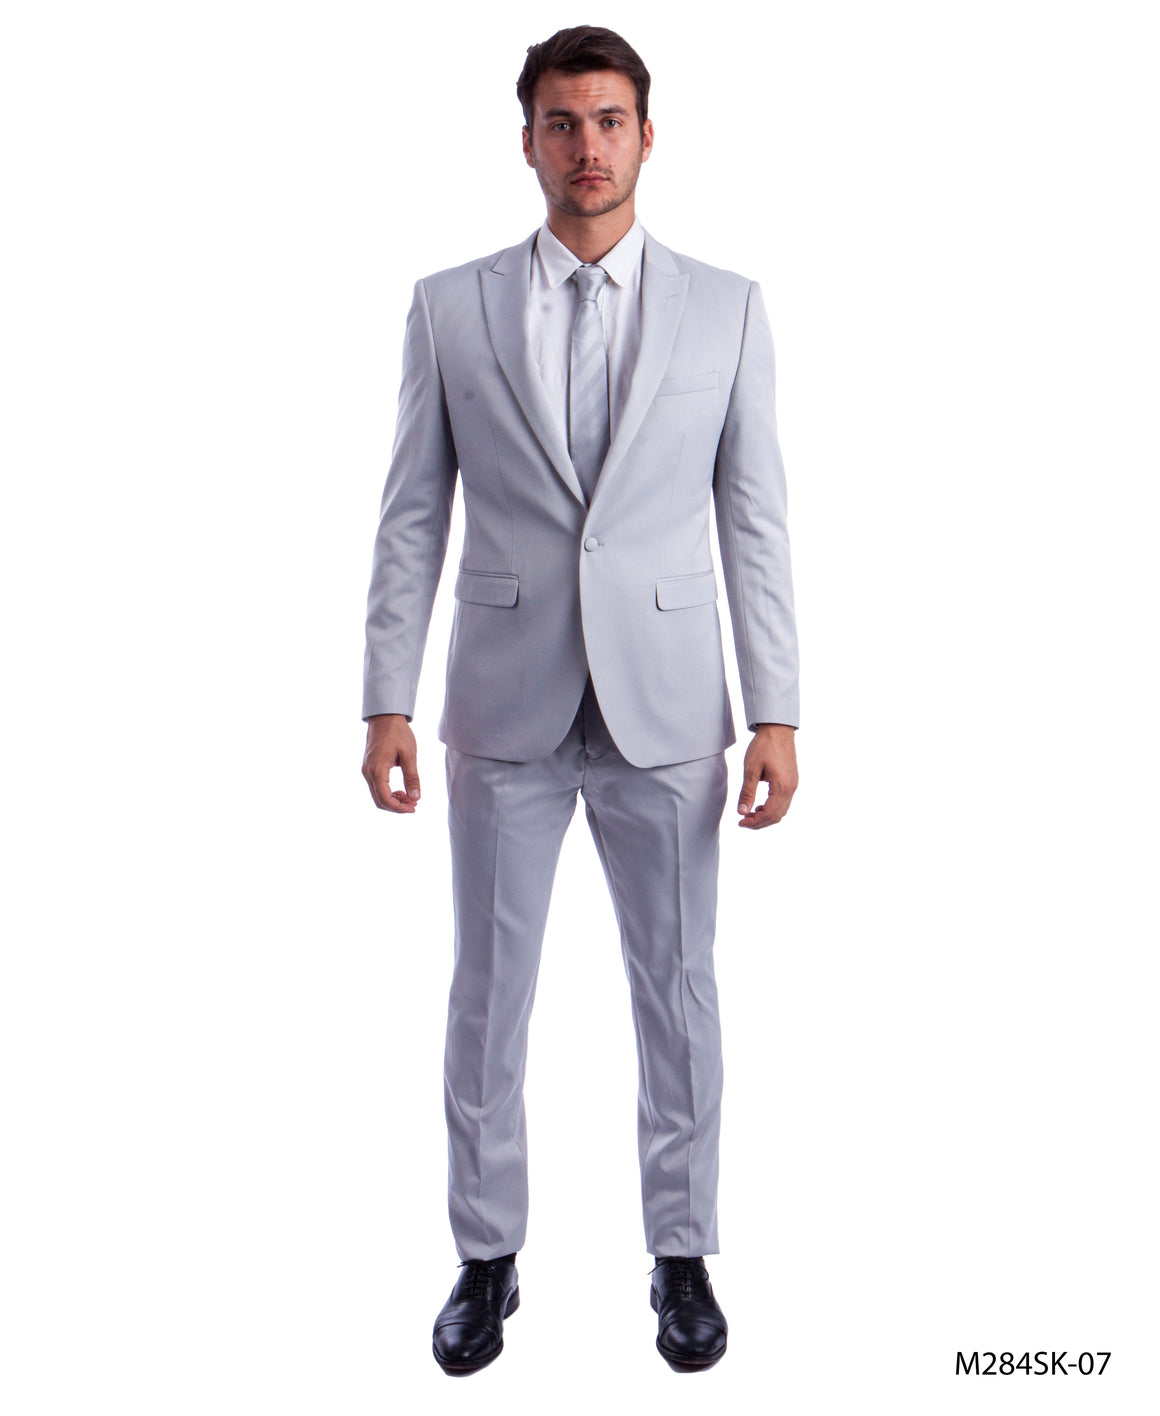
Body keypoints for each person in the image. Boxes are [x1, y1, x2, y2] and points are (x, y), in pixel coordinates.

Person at [360, 24, 800, 1376]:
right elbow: (412, 514)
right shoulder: (452, 306)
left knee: (680, 989)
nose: (587, 146)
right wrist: (384, 697)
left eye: (609, 120)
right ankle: (486, 1256)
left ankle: (683, 1252)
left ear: (647, 136)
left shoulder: (728, 307)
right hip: (505, 705)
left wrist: (777, 709)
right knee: (488, 992)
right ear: (528, 141)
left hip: (668, 704)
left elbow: (756, 519)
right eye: (562, 122)